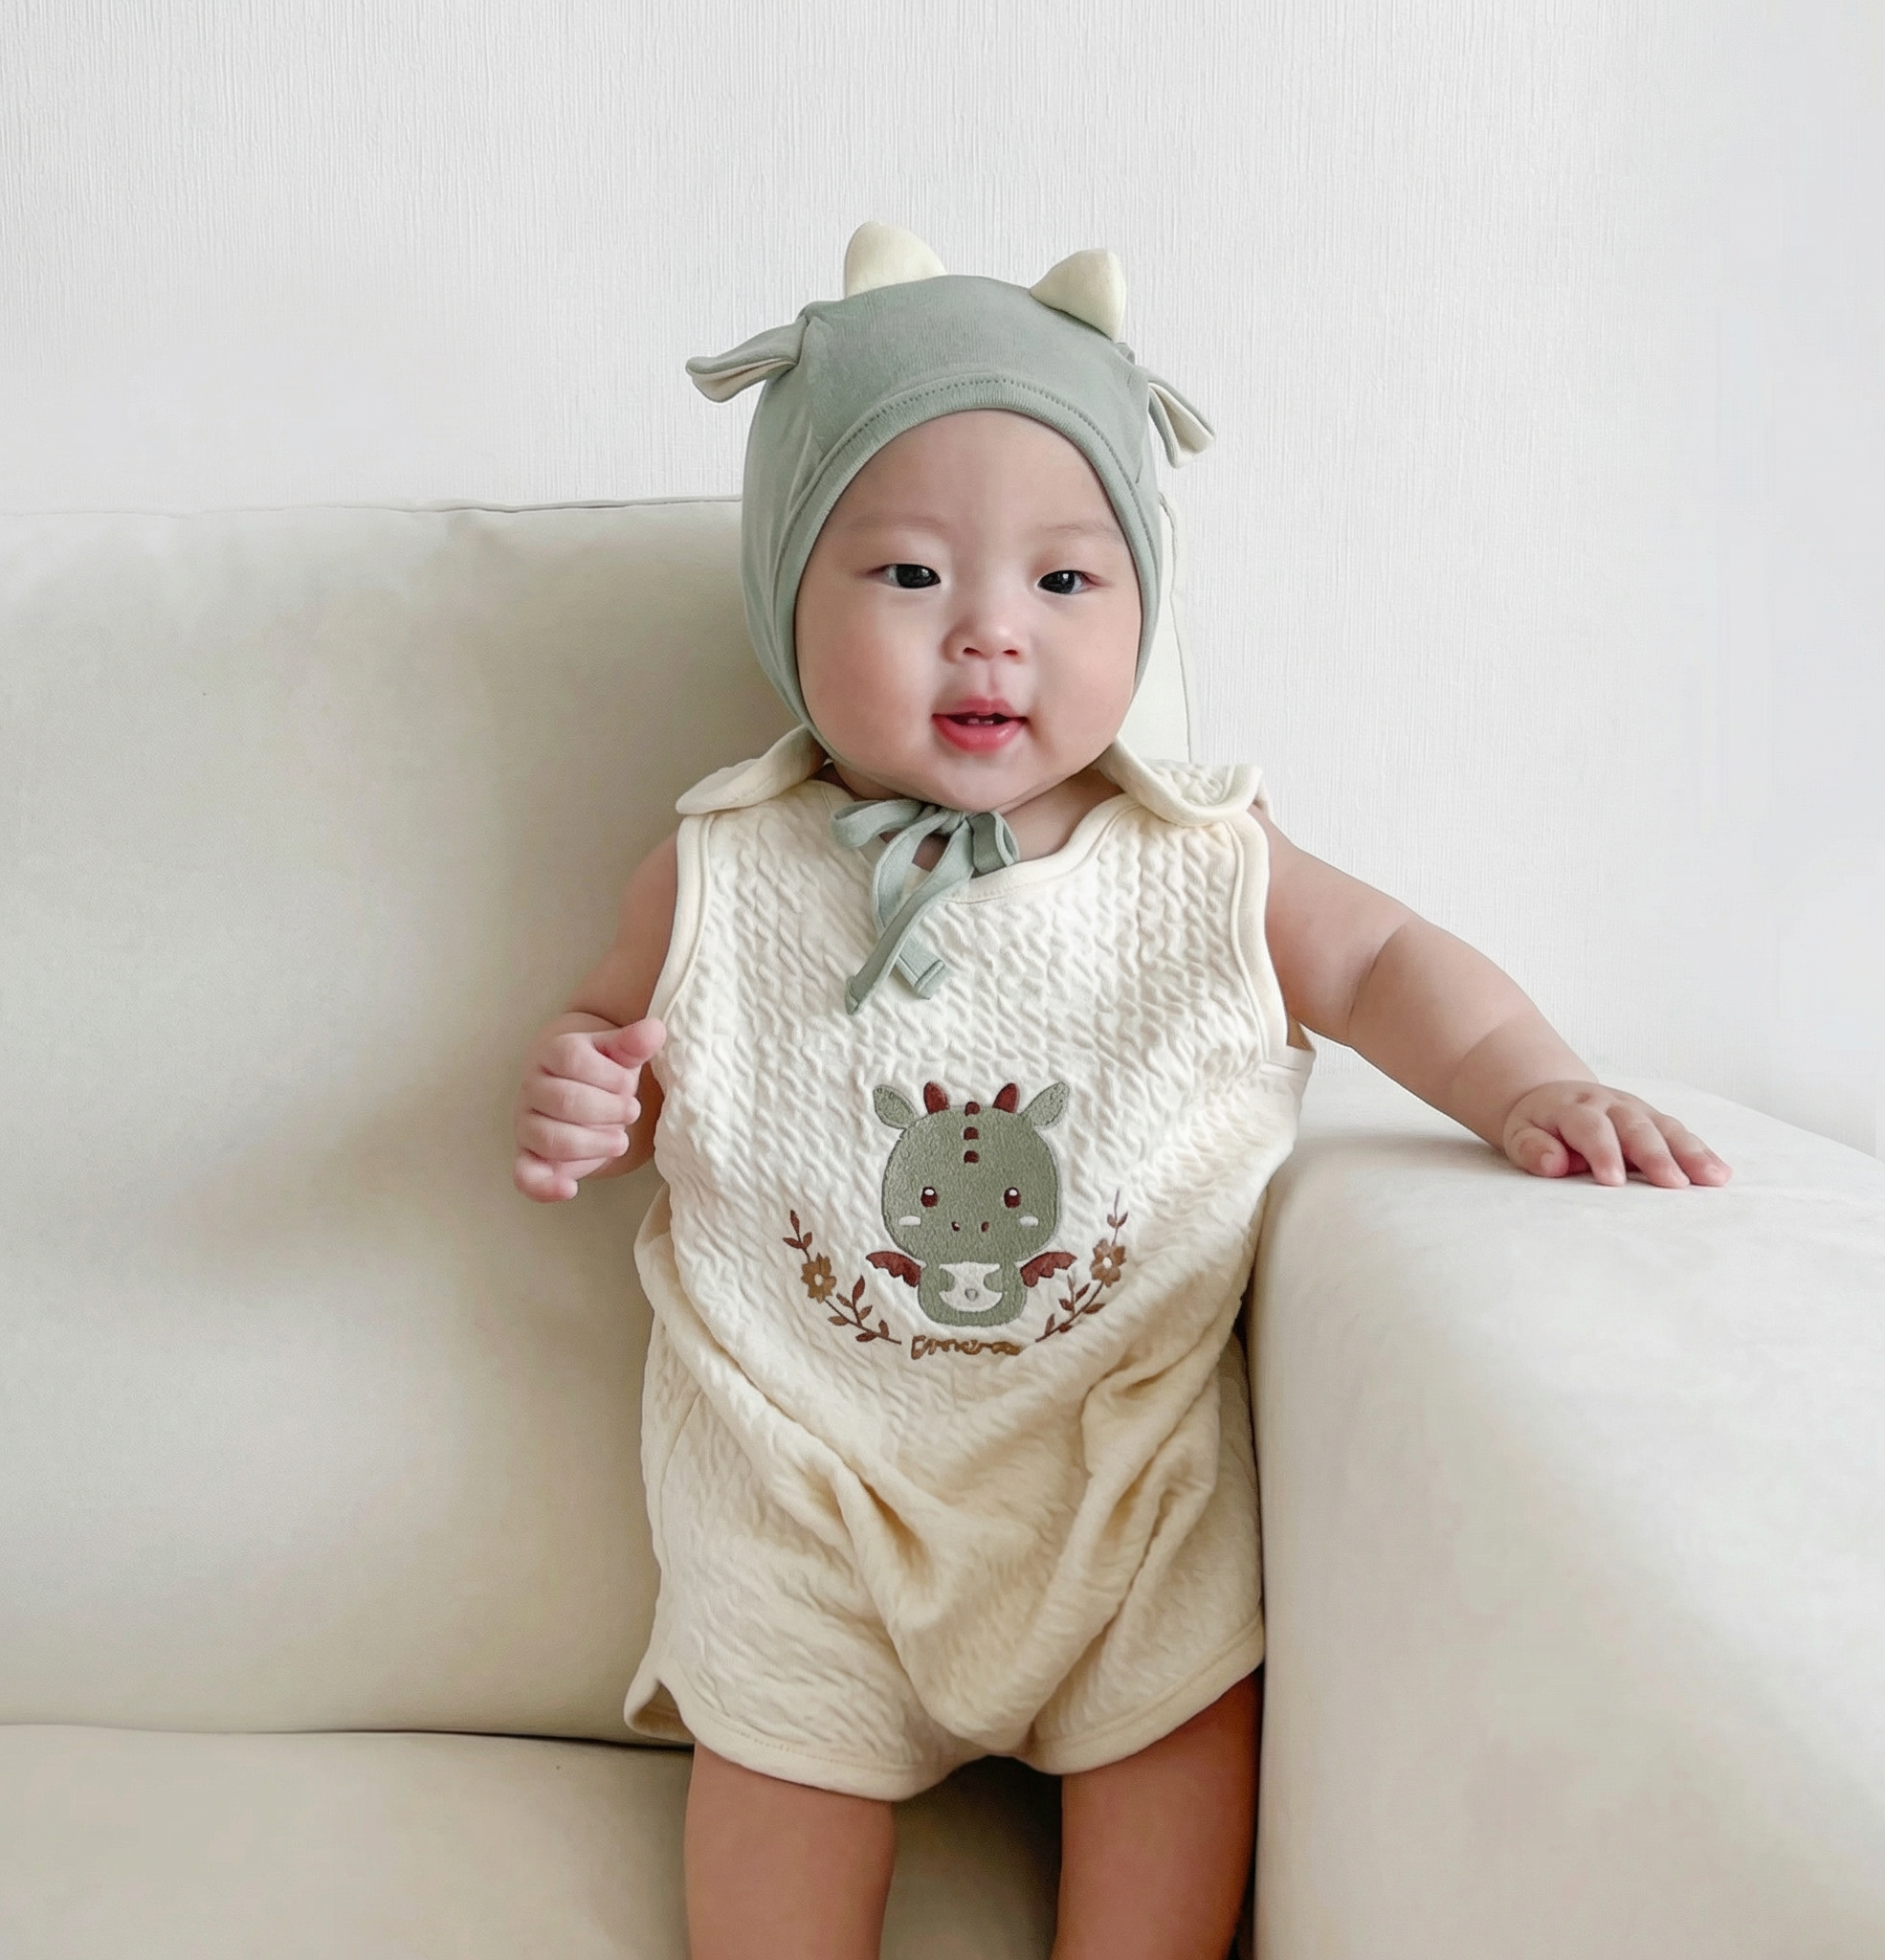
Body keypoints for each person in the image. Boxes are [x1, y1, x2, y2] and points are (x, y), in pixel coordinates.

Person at [512, 222, 1730, 1960]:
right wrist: (589, 1093)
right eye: (910, 574)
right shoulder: (722, 868)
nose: (990, 637)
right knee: (773, 1783)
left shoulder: (1202, 858)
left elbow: (1386, 963)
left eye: (1066, 585)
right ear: (787, 596)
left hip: (1119, 1485)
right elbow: (622, 1040)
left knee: (1177, 1740)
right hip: (807, 1498)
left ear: (1143, 605)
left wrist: (1529, 1079)